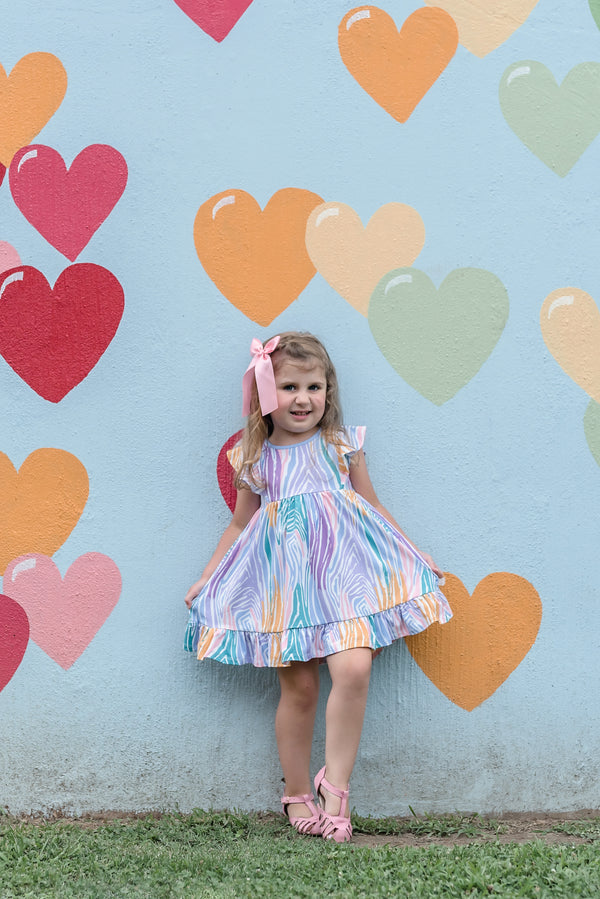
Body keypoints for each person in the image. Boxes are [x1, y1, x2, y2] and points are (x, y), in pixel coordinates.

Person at [184, 332, 451, 843]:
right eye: (288, 386)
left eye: (314, 386)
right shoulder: (253, 457)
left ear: (329, 391)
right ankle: (298, 791)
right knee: (300, 688)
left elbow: (371, 504)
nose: (302, 398)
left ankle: (337, 787)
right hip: (285, 588)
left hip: (346, 577)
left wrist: (412, 551)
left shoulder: (340, 445)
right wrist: (209, 574)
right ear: (266, 392)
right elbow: (241, 525)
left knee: (353, 668)